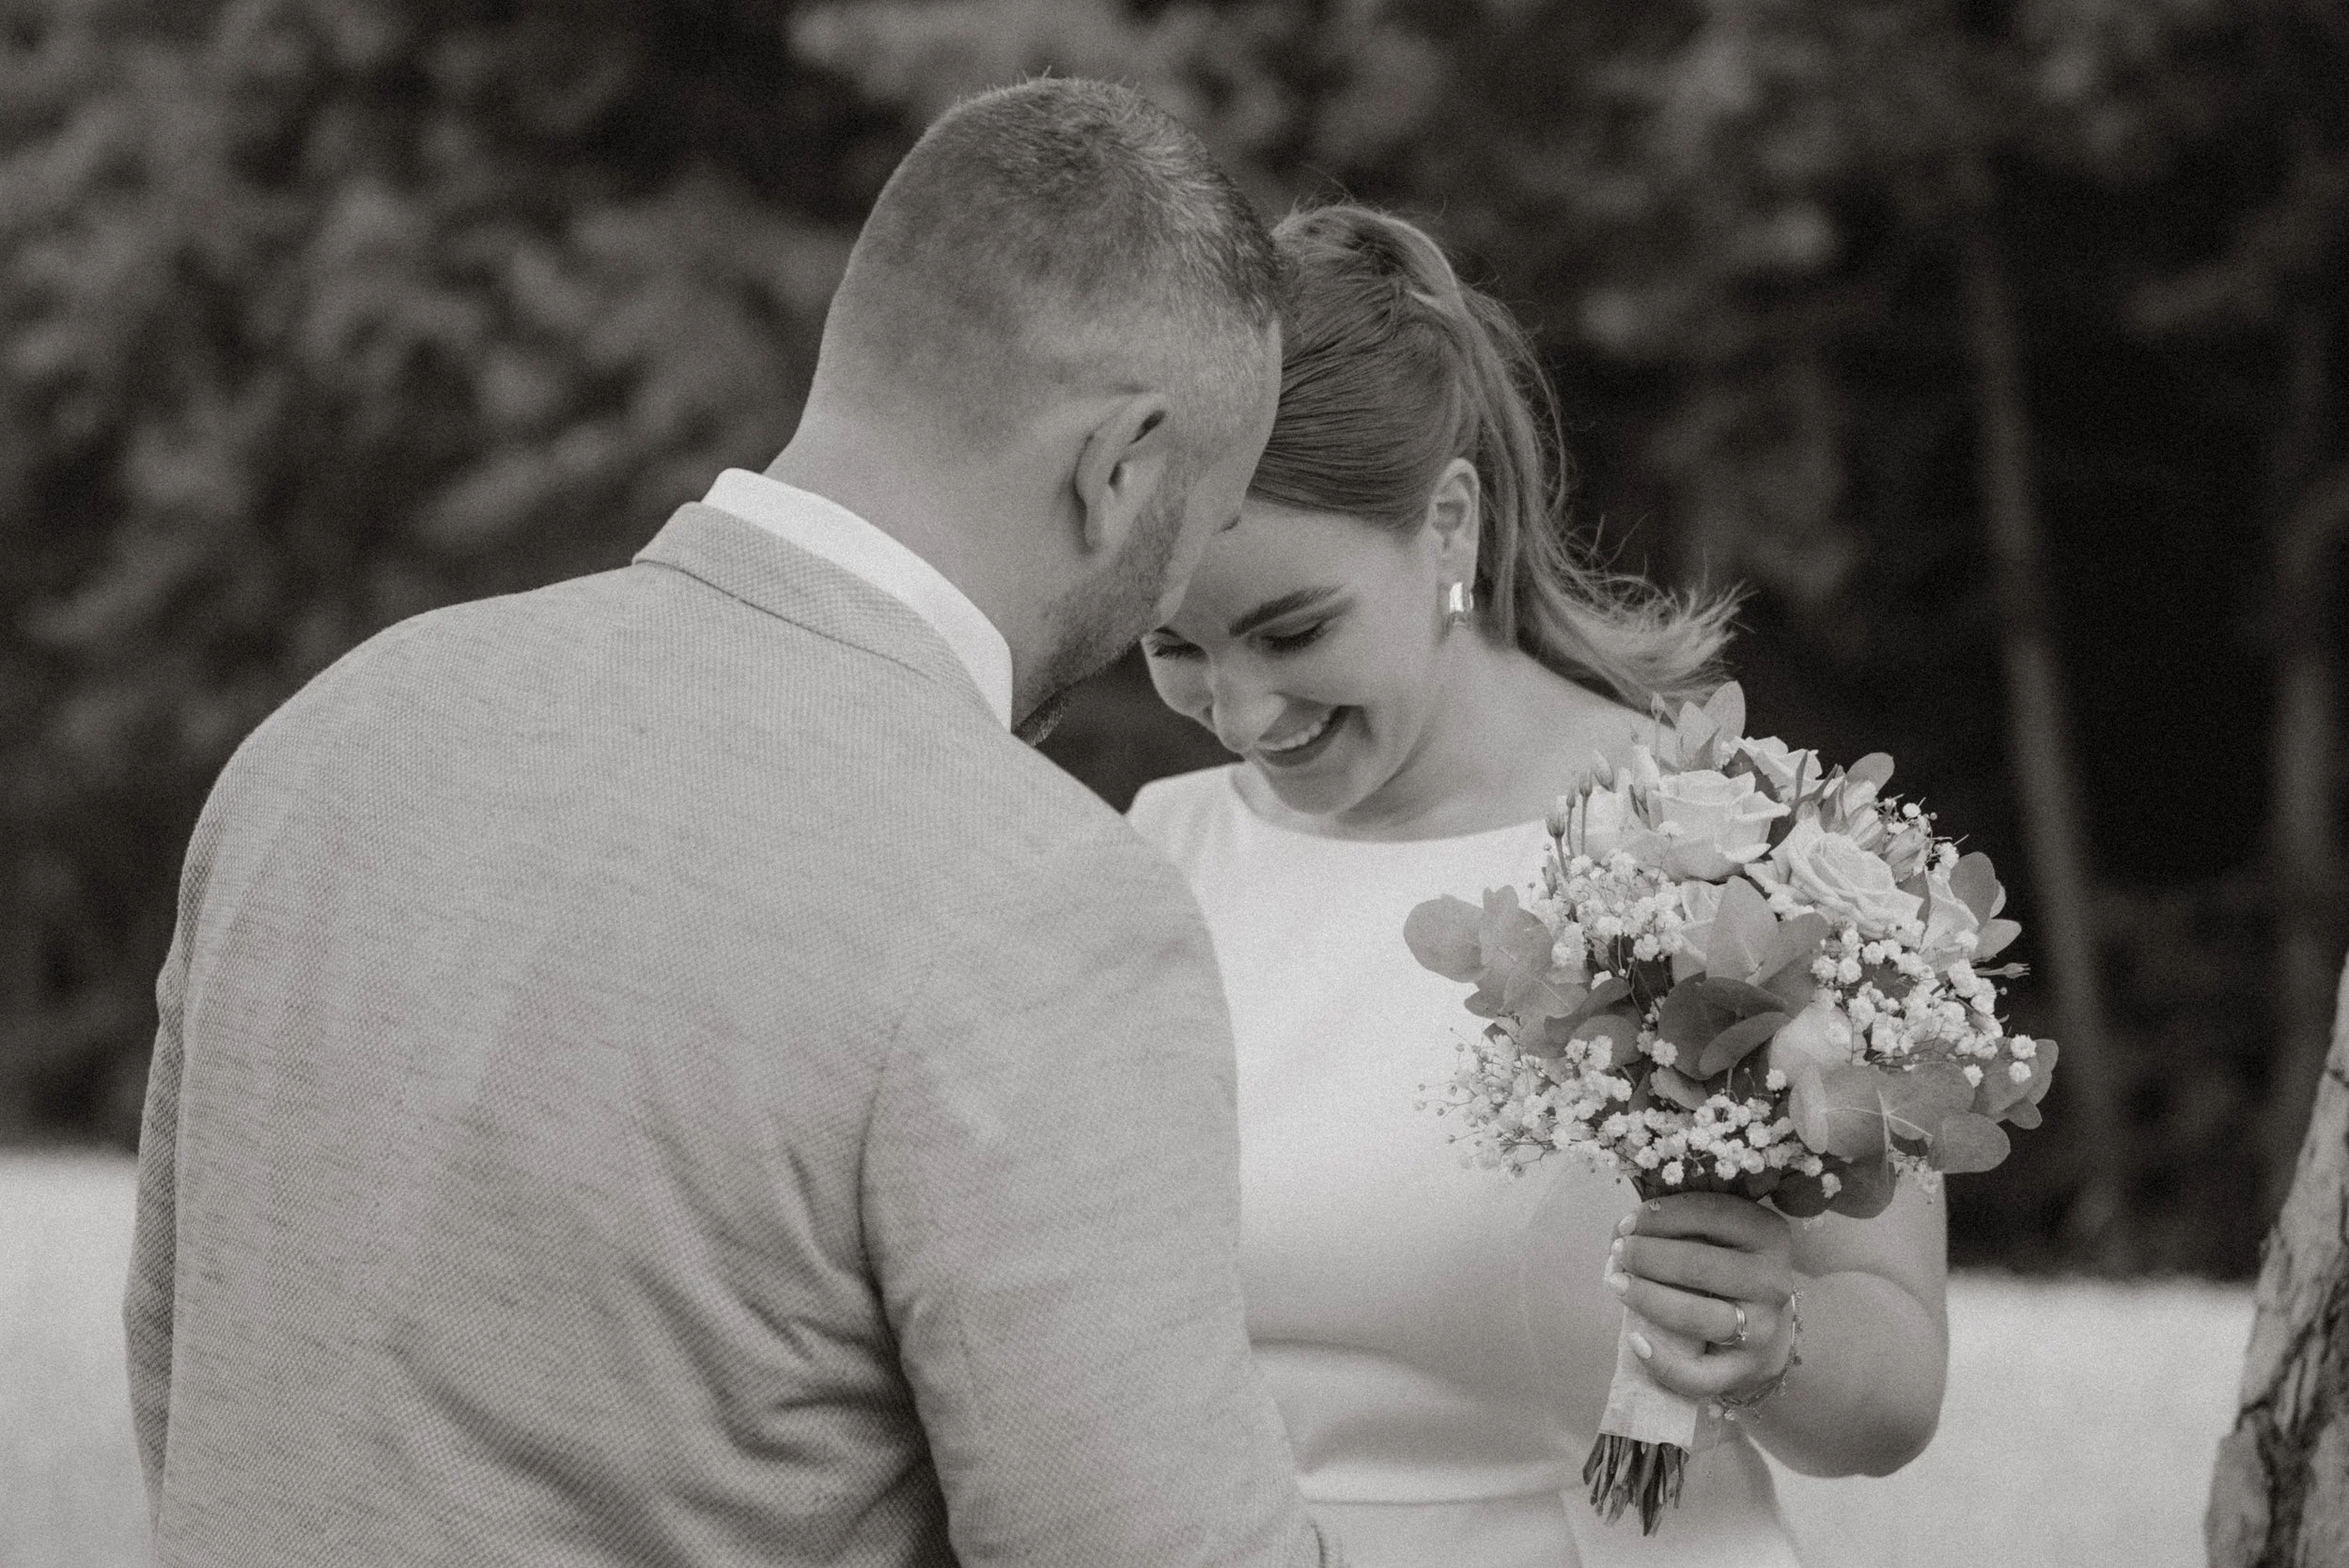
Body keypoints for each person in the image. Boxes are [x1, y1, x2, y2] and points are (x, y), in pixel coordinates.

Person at [123, 79, 1345, 1568]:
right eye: (1204, 528)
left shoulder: (330, 734)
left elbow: (193, 1378)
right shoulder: (1038, 901)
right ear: (1120, 467)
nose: (1173, 600)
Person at [1130, 204, 1949, 1567]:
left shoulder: (1725, 844)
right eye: (1172, 645)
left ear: (1447, 526)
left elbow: (1897, 1390)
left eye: (1294, 630)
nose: (1239, 710)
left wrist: (1768, 1340)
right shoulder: (1159, 850)